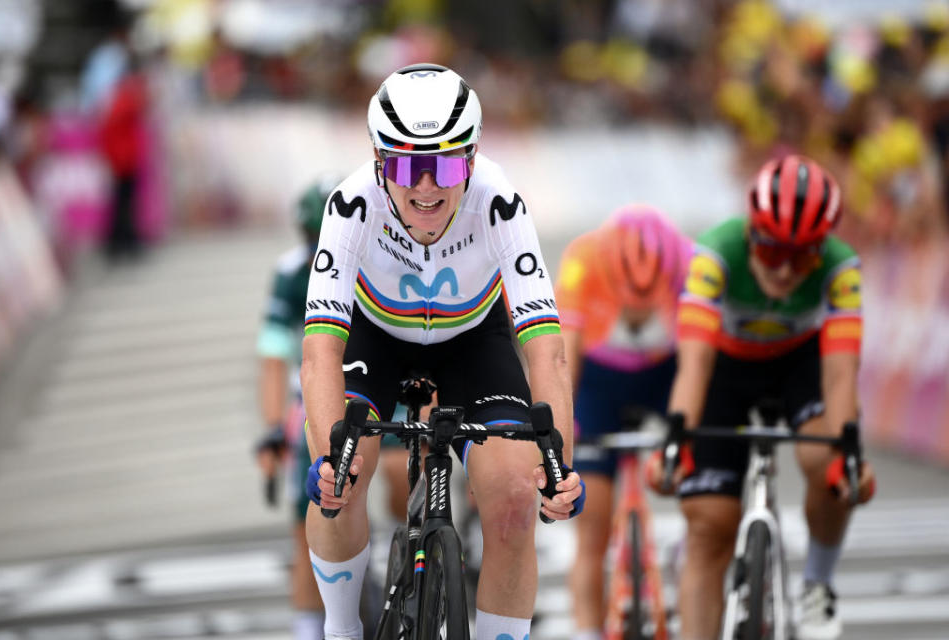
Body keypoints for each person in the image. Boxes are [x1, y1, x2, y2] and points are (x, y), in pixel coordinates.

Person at [300, 63, 585, 640]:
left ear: (471, 163)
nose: (425, 188)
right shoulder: (351, 204)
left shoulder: (499, 201)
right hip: (373, 337)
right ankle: (340, 628)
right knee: (345, 475)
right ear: (381, 164)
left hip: (472, 341)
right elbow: (320, 350)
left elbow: (546, 347)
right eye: (407, 166)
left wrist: (560, 466)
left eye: (445, 165)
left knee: (511, 498)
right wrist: (329, 458)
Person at [651, 154, 876, 640]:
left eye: (804, 256)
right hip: (723, 367)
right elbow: (694, 363)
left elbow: (841, 375)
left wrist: (848, 454)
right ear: (752, 233)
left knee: (826, 460)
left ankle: (818, 581)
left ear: (823, 249)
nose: (787, 271)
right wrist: (676, 437)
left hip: (799, 365)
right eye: (774, 252)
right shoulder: (715, 253)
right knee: (711, 525)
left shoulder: (842, 269)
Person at [555, 205, 692, 640]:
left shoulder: (690, 264)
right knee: (592, 525)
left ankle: (693, 546)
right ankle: (586, 630)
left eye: (646, 301)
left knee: (704, 476)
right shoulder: (584, 261)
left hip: (664, 374)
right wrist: (562, 434)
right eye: (626, 300)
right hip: (600, 382)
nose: (635, 312)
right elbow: (564, 360)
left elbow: (702, 363)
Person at [255, 179, 338, 640]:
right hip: (311, 395)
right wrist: (272, 430)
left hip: (373, 386)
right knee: (305, 528)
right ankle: (308, 629)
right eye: (311, 237)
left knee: (395, 478)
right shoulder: (290, 273)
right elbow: (271, 356)